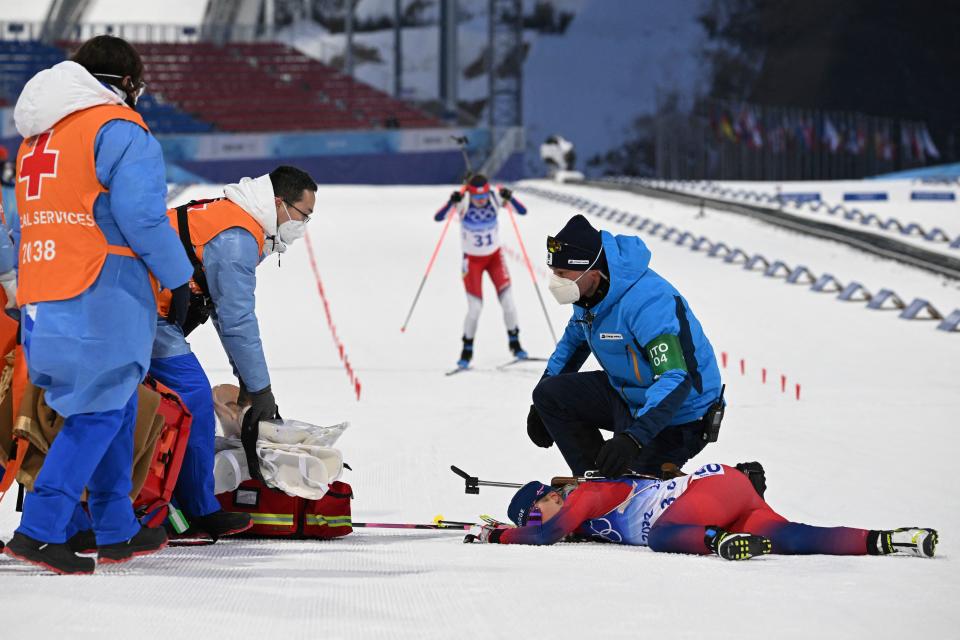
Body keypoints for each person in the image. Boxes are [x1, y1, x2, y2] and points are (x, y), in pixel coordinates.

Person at [2, 35, 194, 574]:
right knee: (98, 410)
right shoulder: (120, 129)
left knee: (115, 402)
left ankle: (114, 527)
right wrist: (177, 277)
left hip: (44, 288)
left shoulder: (39, 136)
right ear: (128, 82)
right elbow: (143, 216)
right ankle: (39, 530)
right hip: (102, 289)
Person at [149, 165, 317, 539]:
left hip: (149, 310)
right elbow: (236, 318)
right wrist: (260, 390)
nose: (303, 225)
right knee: (191, 396)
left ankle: (176, 500)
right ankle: (196, 509)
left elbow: (223, 312)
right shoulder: (237, 236)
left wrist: (248, 381)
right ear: (279, 203)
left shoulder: (235, 215)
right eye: (303, 215)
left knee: (171, 401)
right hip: (141, 311)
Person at [526, 214, 723, 478]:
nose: (555, 280)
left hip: (681, 414)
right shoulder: (589, 296)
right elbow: (572, 344)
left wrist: (633, 438)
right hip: (631, 396)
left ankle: (625, 486)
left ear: (591, 271)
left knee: (634, 491)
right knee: (549, 395)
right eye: (553, 272)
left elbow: (675, 377)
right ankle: (597, 485)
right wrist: (539, 406)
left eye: (562, 273)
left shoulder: (648, 301)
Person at [464, 463, 939, 560]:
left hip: (708, 492)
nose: (539, 522)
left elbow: (544, 538)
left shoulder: (583, 497)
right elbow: (558, 533)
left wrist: (498, 536)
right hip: (725, 498)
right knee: (795, 537)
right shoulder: (583, 519)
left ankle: (717, 542)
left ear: (548, 499)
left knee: (661, 536)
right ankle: (891, 539)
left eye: (533, 513)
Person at [434, 174, 530, 369]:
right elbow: (438, 217)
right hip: (472, 261)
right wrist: (450, 202)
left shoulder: (495, 198)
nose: (481, 201)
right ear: (470, 194)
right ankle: (466, 350)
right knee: (475, 308)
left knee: (509, 303)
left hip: (494, 258)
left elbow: (523, 211)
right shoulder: (464, 202)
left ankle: (515, 343)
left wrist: (510, 197)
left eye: (484, 196)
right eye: (478, 198)